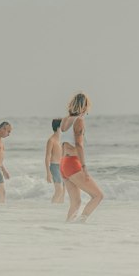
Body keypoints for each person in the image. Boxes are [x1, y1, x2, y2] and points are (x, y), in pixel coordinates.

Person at [60, 92, 105, 222]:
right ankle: (81, 223)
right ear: (84, 107)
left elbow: (64, 143)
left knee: (76, 202)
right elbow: (79, 145)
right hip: (72, 163)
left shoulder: (64, 120)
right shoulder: (79, 121)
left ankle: (67, 228)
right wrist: (84, 167)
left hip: (63, 163)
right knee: (98, 196)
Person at [45, 118, 65, 205]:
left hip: (63, 166)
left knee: (64, 190)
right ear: (58, 127)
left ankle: (59, 210)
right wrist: (48, 173)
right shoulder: (51, 140)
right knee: (59, 190)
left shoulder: (62, 139)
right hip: (54, 166)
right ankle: (51, 208)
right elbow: (47, 156)